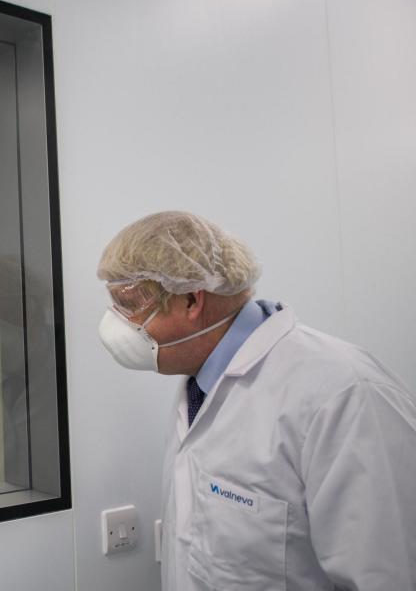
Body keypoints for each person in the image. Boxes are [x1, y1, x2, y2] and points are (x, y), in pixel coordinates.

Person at [96, 211, 416, 590]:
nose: (117, 324)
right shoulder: (198, 389)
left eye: (130, 304)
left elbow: (389, 574)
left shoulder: (345, 396)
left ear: (190, 300)